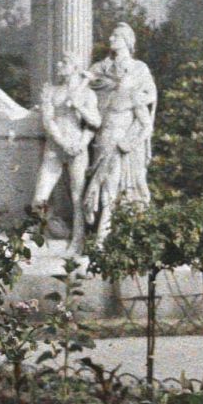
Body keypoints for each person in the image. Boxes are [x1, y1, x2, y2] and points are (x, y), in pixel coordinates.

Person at [82, 24, 157, 248]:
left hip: (125, 135)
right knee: (103, 184)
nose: (111, 38)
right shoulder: (99, 68)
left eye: (116, 36)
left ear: (127, 40)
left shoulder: (138, 69)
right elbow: (87, 91)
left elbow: (148, 99)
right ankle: (102, 235)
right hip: (104, 134)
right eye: (112, 34)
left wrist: (130, 141)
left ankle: (109, 237)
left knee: (123, 185)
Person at [32, 57, 101, 251]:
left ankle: (78, 239)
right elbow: (48, 121)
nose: (58, 65)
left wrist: (81, 142)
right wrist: (62, 142)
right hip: (55, 147)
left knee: (77, 196)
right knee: (40, 196)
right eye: (59, 62)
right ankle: (44, 236)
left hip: (78, 146)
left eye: (64, 63)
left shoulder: (87, 94)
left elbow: (94, 123)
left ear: (75, 68)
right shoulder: (52, 91)